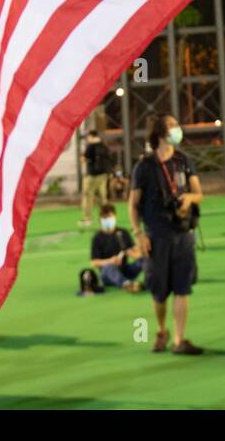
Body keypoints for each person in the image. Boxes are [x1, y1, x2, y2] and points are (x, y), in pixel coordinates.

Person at [129, 114, 204, 355]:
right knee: (159, 291)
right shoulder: (145, 166)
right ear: (160, 132)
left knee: (183, 288)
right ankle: (162, 330)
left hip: (182, 233)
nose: (177, 129)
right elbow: (132, 204)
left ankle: (179, 340)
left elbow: (198, 193)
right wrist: (138, 234)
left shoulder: (183, 160)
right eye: (172, 126)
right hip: (156, 235)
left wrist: (188, 199)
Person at [90, 203, 143, 291]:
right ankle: (127, 284)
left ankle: (150, 282)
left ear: (115, 217)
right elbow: (94, 262)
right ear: (100, 219)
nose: (107, 220)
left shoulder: (123, 233)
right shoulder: (97, 237)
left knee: (145, 259)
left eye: (110, 217)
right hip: (108, 273)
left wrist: (131, 253)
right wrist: (110, 261)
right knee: (108, 267)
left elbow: (138, 254)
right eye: (105, 217)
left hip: (125, 269)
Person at [80, 129, 116, 228]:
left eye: (88, 137)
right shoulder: (104, 146)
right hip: (104, 174)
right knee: (102, 197)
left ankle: (88, 218)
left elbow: (83, 159)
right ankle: (106, 217)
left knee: (88, 195)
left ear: (91, 136)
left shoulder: (90, 146)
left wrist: (83, 159)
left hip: (92, 175)